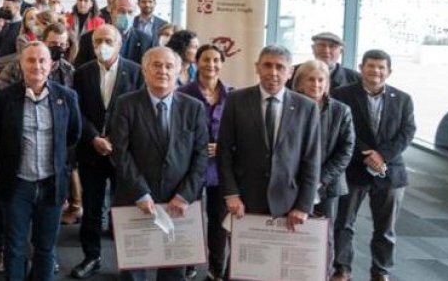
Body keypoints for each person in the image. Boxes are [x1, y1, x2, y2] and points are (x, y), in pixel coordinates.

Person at [109, 47, 209, 281]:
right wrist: (141, 193)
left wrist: (185, 195)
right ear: (144, 71)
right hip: (136, 199)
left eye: (169, 66)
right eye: (156, 65)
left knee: (173, 271)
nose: (162, 71)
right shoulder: (126, 104)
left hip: (178, 202)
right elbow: (121, 153)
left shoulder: (194, 107)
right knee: (134, 271)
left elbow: (201, 155)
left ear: (178, 71)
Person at [0, 42, 81, 281]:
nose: (36, 65)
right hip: (17, 185)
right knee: (14, 247)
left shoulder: (66, 97)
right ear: (20, 64)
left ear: (51, 64)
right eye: (30, 60)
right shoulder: (4, 98)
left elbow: (72, 136)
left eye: (42, 61)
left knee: (45, 248)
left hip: (51, 185)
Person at [331, 50, 416, 281]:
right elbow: (339, 128)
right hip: (353, 169)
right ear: (361, 67)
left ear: (389, 71)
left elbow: (407, 132)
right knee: (344, 224)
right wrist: (366, 153)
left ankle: (380, 271)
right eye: (371, 66)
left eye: (381, 67)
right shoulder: (341, 94)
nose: (375, 71)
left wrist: (382, 156)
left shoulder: (403, 99)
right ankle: (342, 269)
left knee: (385, 228)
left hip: (390, 172)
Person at [70, 24, 144, 279]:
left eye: (108, 40)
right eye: (98, 40)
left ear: (119, 43)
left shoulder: (136, 72)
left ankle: (129, 262)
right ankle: (91, 257)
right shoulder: (82, 73)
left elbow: (139, 111)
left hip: (123, 153)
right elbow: (76, 109)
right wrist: (93, 137)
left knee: (124, 208)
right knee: (91, 207)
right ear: (91, 45)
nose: (103, 45)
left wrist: (116, 138)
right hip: (91, 151)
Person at [217, 45, 320, 228]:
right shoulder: (236, 100)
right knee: (242, 255)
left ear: (290, 72)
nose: (273, 72)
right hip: (244, 201)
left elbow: (311, 159)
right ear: (257, 67)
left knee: (283, 256)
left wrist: (304, 206)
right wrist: (231, 193)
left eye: (280, 67)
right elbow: (224, 151)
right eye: (267, 65)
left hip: (289, 204)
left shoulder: (307, 107)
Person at [292, 59, 354, 281]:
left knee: (322, 235)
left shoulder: (341, 111)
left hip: (326, 186)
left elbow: (346, 150)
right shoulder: (289, 106)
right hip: (291, 183)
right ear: (300, 83)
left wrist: (319, 179)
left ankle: (322, 275)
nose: (316, 84)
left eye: (321, 80)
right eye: (311, 79)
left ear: (327, 84)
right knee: (291, 231)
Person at [177, 44, 231, 280]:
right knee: (190, 215)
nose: (211, 64)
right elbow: (177, 133)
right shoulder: (183, 93)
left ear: (222, 63)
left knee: (219, 219)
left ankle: (216, 266)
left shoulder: (233, 95)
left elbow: (240, 133)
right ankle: (189, 261)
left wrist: (222, 147)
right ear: (197, 62)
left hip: (222, 168)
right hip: (191, 166)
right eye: (206, 59)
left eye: (216, 60)